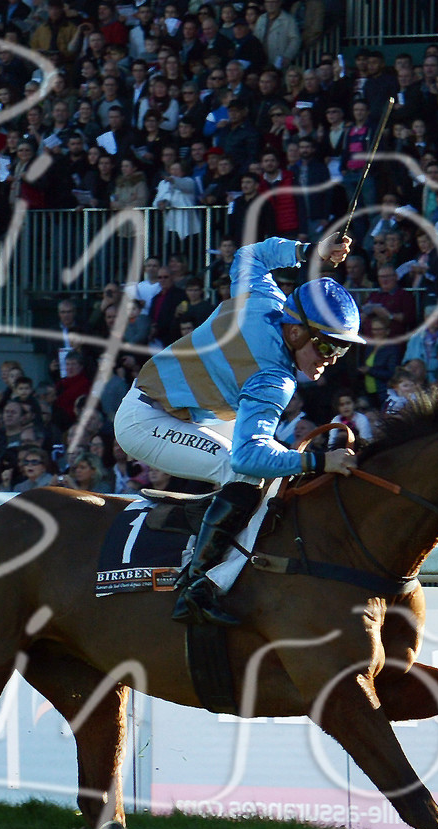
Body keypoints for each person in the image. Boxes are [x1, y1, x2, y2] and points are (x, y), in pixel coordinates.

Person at [113, 233, 363, 626]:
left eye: (342, 350)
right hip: (144, 421)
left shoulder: (264, 298)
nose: (332, 359)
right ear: (295, 332)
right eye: (328, 346)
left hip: (189, 410)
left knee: (273, 473)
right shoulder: (273, 378)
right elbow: (247, 457)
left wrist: (309, 251)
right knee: (244, 471)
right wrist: (320, 462)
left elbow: (249, 254)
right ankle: (199, 586)